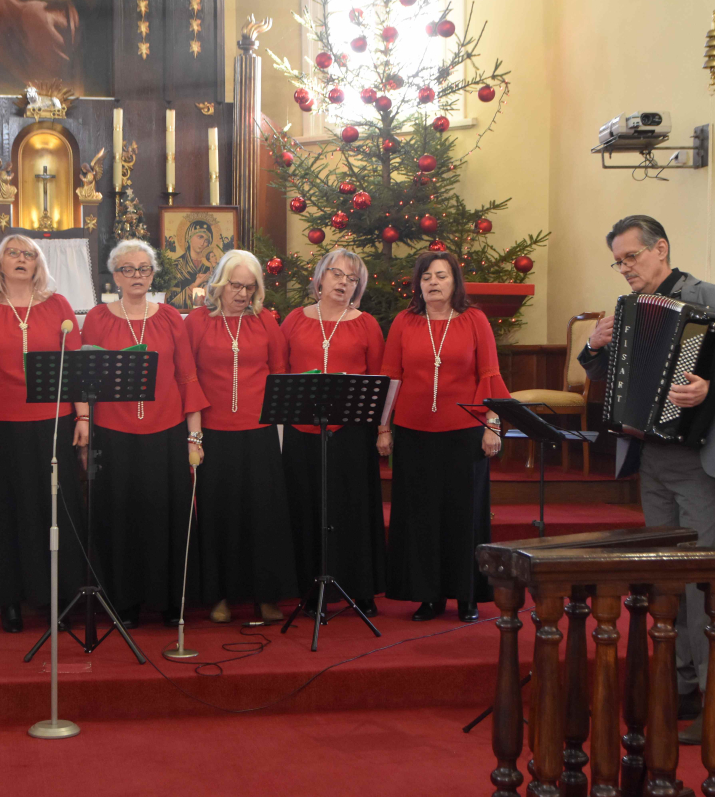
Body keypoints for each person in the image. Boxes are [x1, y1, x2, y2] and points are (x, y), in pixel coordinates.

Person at [579, 215, 715, 745]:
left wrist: (712, 389)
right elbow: (606, 374)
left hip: (701, 459)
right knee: (666, 577)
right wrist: (593, 345)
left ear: (660, 248)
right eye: (617, 262)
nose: (624, 269)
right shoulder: (628, 310)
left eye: (631, 257)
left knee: (700, 583)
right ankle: (683, 687)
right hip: (653, 459)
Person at [0, 234, 88, 633]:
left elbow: (76, 365)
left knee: (54, 511)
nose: (21, 259)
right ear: (0, 262)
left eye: (29, 254)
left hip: (53, 423)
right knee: (4, 513)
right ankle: (9, 600)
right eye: (13, 253)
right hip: (1, 425)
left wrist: (82, 417)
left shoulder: (58, 305)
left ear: (38, 264)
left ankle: (57, 597)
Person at [81, 239, 209, 628]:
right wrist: (83, 423)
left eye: (144, 269)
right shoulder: (97, 318)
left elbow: (187, 376)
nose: (137, 275)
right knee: (120, 519)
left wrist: (194, 436)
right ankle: (124, 601)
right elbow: (86, 378)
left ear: (153, 274)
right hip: (113, 434)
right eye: (128, 269)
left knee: (164, 516)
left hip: (165, 433)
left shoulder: (170, 317)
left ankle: (170, 600)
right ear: (115, 276)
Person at [379, 252, 508, 622]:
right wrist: (383, 427)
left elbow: (489, 374)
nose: (433, 282)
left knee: (464, 516)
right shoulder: (404, 321)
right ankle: (427, 596)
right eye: (426, 277)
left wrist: (492, 425)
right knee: (419, 516)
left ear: (455, 282)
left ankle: (467, 596)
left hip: (465, 432)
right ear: (418, 284)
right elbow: (391, 377)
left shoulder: (474, 319)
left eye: (441, 276)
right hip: (413, 432)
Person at [184, 249, 295, 624]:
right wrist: (194, 435)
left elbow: (279, 374)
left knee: (263, 515)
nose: (243, 294)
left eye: (250, 287)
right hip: (214, 433)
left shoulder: (265, 322)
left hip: (259, 433)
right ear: (219, 283)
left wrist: (279, 430)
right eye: (236, 285)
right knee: (219, 516)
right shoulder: (197, 322)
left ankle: (266, 595)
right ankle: (219, 595)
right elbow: (188, 377)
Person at [281, 248, 386, 618]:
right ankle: (310, 589)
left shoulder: (366, 324)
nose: (343, 282)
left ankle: (361, 587)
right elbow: (280, 373)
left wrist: (382, 428)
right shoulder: (294, 320)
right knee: (306, 508)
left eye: (352, 278)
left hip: (350, 432)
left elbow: (380, 381)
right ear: (320, 277)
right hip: (301, 431)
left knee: (352, 507)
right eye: (337, 274)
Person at [166, 219, 217, 311]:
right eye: (200, 237)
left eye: (206, 241)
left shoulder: (211, 267)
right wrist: (196, 284)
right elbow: (170, 302)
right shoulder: (176, 266)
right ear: (189, 238)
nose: (202, 243)